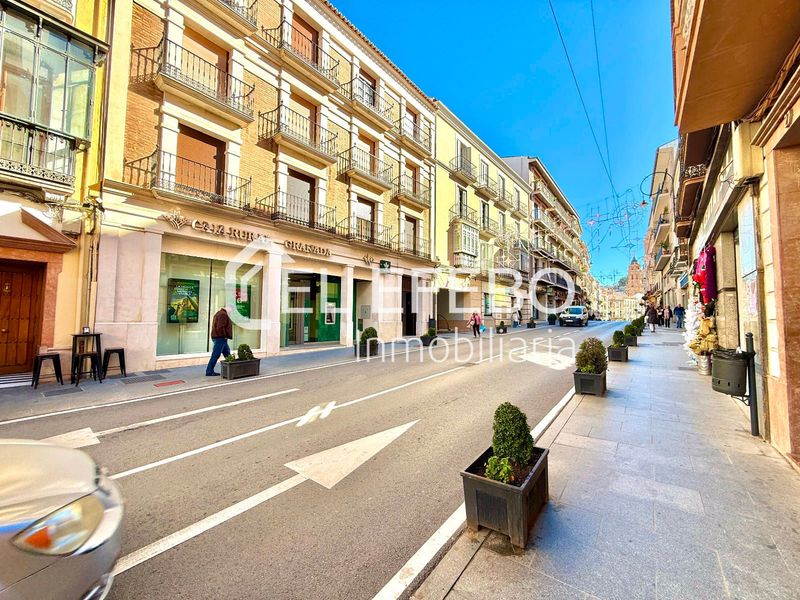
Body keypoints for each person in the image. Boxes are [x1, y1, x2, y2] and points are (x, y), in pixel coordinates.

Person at [206, 306, 232, 376]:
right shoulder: (223, 314)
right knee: (216, 354)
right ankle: (209, 371)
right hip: (220, 338)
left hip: (219, 337)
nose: (231, 312)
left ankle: (232, 368)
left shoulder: (219, 313)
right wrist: (225, 336)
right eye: (231, 310)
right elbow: (220, 327)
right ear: (228, 309)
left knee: (227, 353)